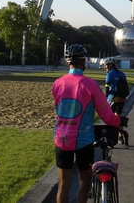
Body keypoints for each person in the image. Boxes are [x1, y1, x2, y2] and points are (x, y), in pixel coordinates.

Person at [52, 44, 127, 203]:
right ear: (84, 62)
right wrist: (118, 121)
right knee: (84, 182)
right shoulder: (90, 85)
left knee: (63, 185)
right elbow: (106, 114)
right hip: (83, 140)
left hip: (62, 138)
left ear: (67, 62)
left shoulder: (57, 84)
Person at [102, 58, 130, 148]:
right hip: (122, 99)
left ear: (110, 65)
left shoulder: (109, 74)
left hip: (113, 99)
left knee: (110, 118)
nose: (104, 67)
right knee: (118, 116)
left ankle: (110, 137)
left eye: (105, 65)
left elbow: (107, 87)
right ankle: (120, 136)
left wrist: (105, 98)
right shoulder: (121, 73)